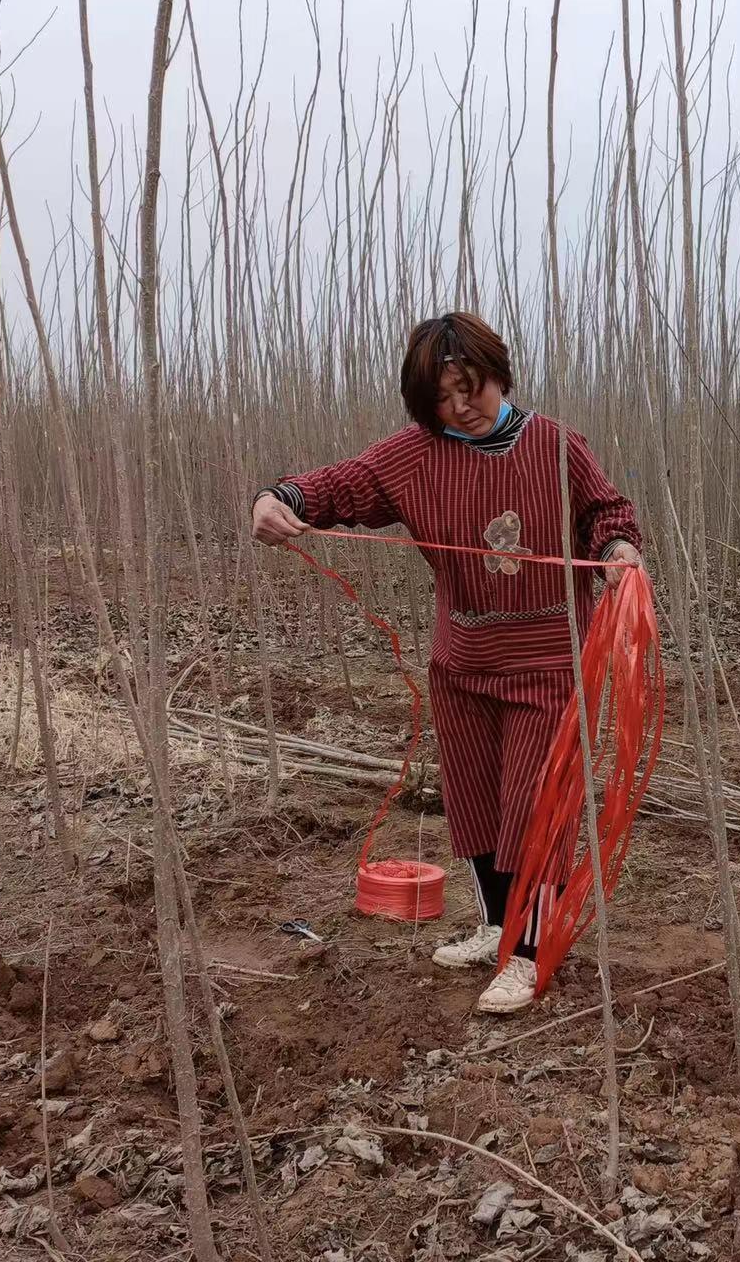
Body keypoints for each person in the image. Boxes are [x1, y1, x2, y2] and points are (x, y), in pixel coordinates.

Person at [251, 311, 642, 1015]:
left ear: (498, 373)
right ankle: (496, 927)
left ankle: (527, 955)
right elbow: (338, 485)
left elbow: (608, 515)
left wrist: (619, 554)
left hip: (549, 661)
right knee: (477, 805)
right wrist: (280, 499)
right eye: (442, 397)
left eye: (472, 388)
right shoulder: (414, 455)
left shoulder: (555, 445)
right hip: (461, 660)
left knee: (532, 808)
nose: (461, 407)